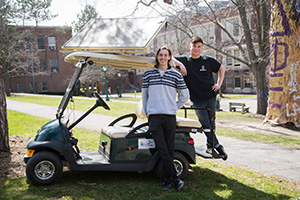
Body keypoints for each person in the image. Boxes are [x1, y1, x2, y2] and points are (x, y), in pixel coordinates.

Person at [142, 45, 190, 191]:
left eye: (165, 55)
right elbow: (145, 95)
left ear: (169, 57)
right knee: (161, 147)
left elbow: (185, 95)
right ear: (157, 57)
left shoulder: (176, 75)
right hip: (154, 117)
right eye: (160, 55)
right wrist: (147, 111)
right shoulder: (148, 74)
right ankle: (176, 179)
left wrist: (174, 107)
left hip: (170, 116)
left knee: (168, 149)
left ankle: (166, 181)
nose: (163, 58)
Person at [172, 36, 228, 160]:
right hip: (197, 100)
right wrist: (180, 64)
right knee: (205, 124)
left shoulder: (208, 60)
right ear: (190, 47)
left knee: (211, 124)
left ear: (202, 48)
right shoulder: (186, 61)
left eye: (199, 47)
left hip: (210, 97)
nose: (196, 49)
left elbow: (221, 68)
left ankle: (210, 146)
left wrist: (219, 83)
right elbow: (169, 56)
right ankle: (218, 146)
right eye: (194, 46)